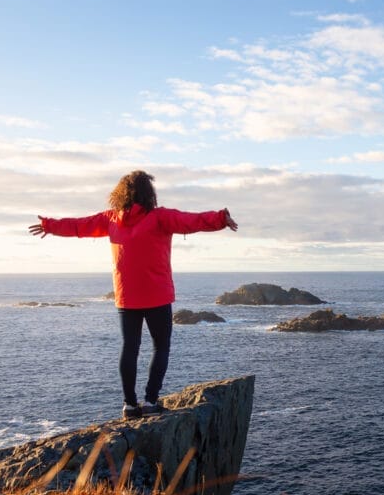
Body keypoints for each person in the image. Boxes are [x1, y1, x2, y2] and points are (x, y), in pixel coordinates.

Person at [28, 170, 238, 419]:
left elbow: (78, 226)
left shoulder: (111, 219)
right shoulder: (159, 217)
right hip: (157, 295)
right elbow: (191, 221)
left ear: (120, 194)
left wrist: (49, 225)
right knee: (161, 347)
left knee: (130, 348)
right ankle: (150, 401)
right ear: (150, 193)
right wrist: (221, 218)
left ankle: (129, 405)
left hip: (127, 297)